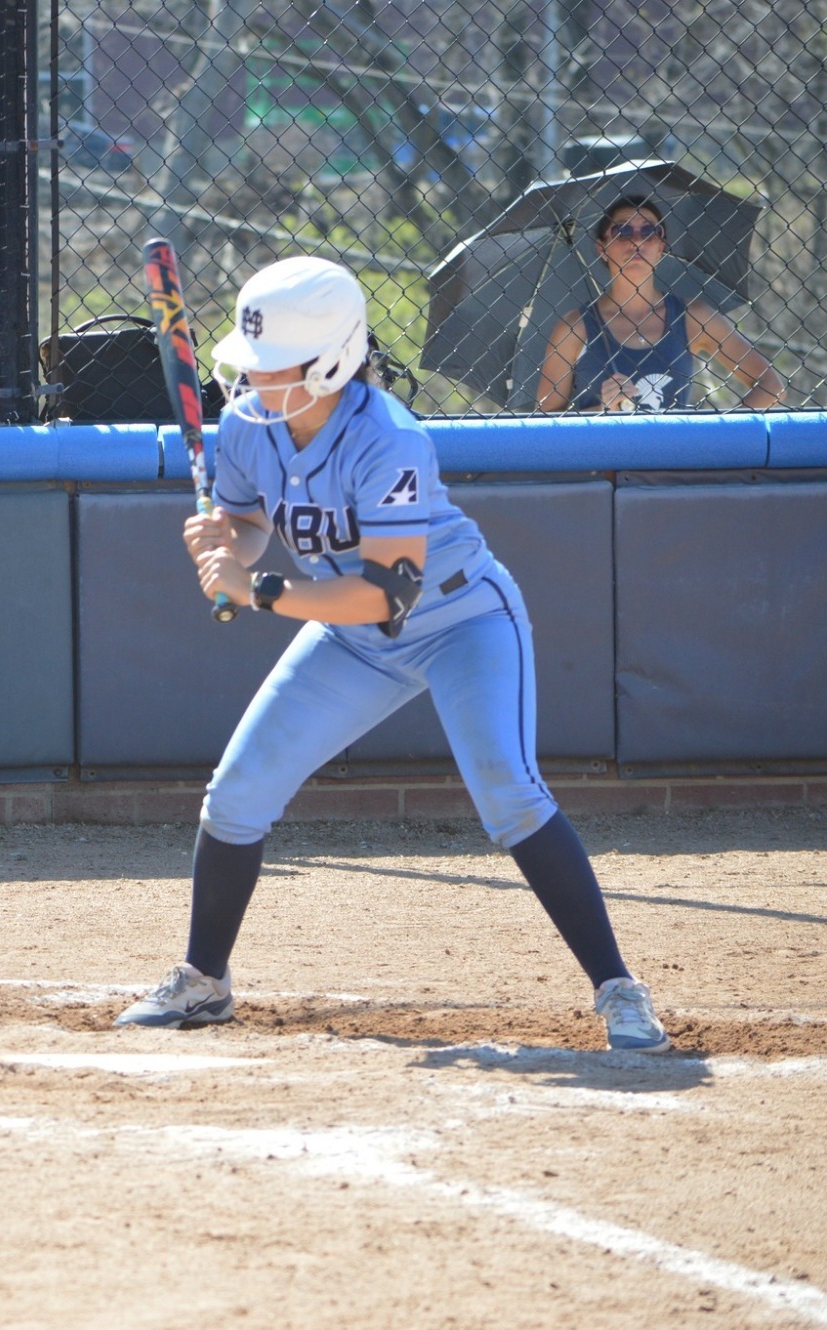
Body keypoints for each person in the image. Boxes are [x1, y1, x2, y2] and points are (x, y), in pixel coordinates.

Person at [116, 255, 670, 1054]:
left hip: (460, 622)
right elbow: (247, 524)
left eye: (272, 369)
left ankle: (618, 987)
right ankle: (205, 980)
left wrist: (261, 590)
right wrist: (224, 546)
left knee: (510, 798)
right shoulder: (244, 429)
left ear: (332, 362)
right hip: (351, 638)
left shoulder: (389, 439)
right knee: (236, 795)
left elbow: (388, 598)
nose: (251, 383)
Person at [536, 194, 784, 413]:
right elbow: (544, 424)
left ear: (661, 247)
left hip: (675, 463)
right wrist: (603, 410)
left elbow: (771, 386)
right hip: (605, 463)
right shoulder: (575, 327)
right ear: (602, 248)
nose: (637, 241)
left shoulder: (692, 317)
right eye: (622, 231)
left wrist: (715, 436)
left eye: (649, 232)